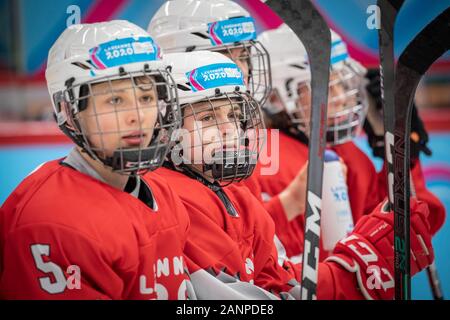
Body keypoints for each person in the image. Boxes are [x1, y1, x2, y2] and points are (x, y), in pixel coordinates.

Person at [151, 49, 435, 300]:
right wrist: (354, 269)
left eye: (233, 116)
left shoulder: (233, 191)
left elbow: (278, 279)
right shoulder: (173, 196)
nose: (229, 129)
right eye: (209, 117)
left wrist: (404, 156)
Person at [0, 20, 192, 300]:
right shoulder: (51, 220)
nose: (137, 115)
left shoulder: (163, 192)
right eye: (115, 100)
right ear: (70, 110)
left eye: (147, 97)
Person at [249, 24, 446, 262]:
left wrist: (402, 155)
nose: (342, 98)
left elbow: (408, 235)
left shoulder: (347, 154)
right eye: (330, 86)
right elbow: (260, 252)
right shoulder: (264, 156)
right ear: (278, 97)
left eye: (343, 83)